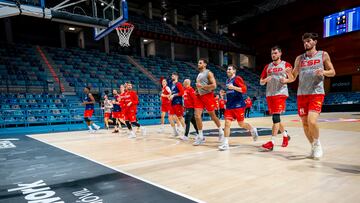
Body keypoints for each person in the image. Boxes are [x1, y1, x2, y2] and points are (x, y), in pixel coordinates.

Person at [286, 33, 335, 159]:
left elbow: (333, 72)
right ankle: (313, 146)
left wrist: (323, 71)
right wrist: (288, 74)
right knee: (305, 124)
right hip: (302, 94)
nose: (306, 44)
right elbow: (293, 78)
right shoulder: (299, 59)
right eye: (304, 42)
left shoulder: (323, 55)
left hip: (316, 93)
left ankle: (317, 144)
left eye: (308, 41)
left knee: (311, 121)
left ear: (315, 42)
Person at [259, 45, 292, 151]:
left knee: (275, 118)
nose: (273, 55)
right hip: (270, 94)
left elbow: (292, 78)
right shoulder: (267, 67)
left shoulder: (286, 65)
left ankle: (272, 142)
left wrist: (286, 80)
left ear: (280, 53)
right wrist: (264, 81)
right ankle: (285, 136)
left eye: (275, 53)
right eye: (272, 53)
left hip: (281, 93)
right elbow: (261, 82)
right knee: (277, 118)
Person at [218, 65, 258, 151]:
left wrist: (233, 87)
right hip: (229, 106)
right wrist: (223, 94)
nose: (227, 70)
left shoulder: (237, 78)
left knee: (241, 124)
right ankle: (225, 143)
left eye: (229, 69)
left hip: (238, 105)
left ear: (234, 71)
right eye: (227, 69)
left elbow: (244, 89)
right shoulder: (227, 80)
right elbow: (231, 91)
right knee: (227, 124)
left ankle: (252, 129)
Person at [193, 58, 224, 146]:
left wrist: (201, 86)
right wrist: (197, 90)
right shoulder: (199, 74)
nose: (198, 64)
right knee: (197, 116)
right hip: (199, 96)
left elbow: (214, 86)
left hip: (208, 96)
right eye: (198, 63)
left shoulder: (209, 73)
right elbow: (199, 86)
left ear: (205, 64)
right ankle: (201, 136)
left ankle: (221, 131)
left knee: (213, 116)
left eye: (200, 63)